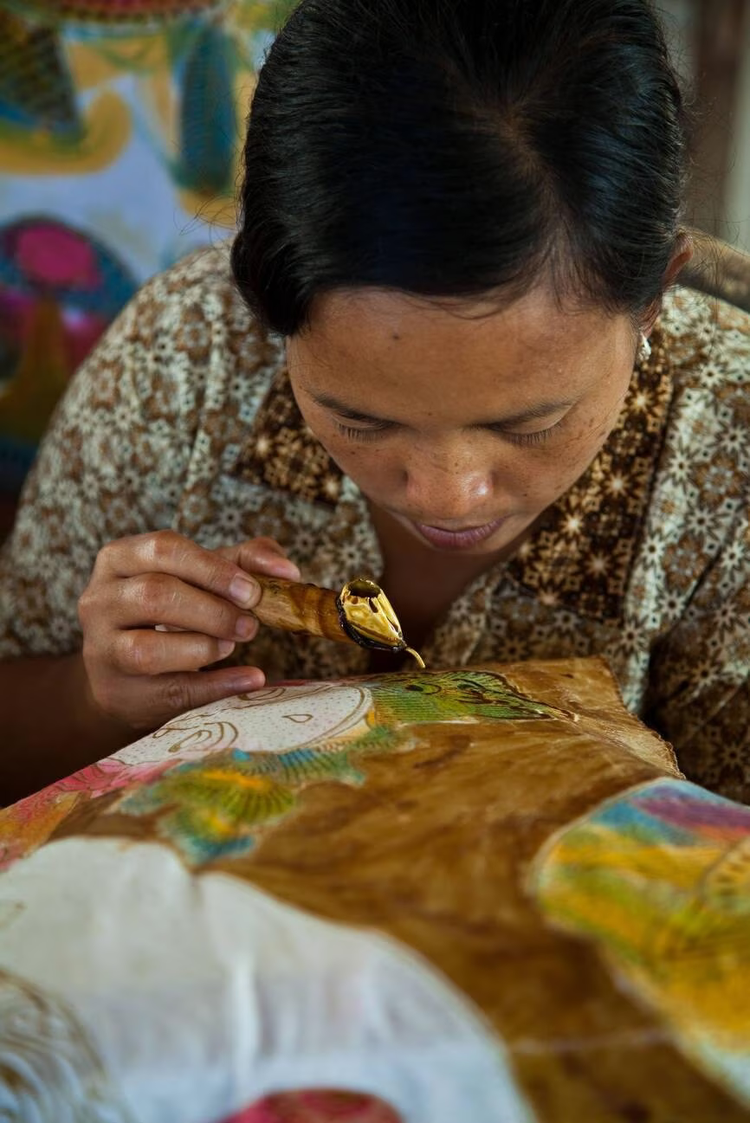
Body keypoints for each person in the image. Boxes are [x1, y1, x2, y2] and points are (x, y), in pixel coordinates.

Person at [0, 0, 747, 807]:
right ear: (265, 309)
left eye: (530, 423)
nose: (448, 496)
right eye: (359, 419)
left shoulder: (728, 439)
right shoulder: (185, 356)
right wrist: (96, 696)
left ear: (655, 297)